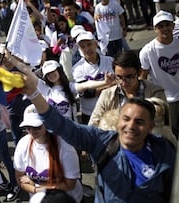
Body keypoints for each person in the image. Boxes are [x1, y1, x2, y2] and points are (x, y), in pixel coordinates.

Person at [17, 60, 175, 203]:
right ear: (118, 121)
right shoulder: (103, 142)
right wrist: (33, 93)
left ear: (151, 127)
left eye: (139, 122)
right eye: (126, 119)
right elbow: (61, 125)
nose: (131, 126)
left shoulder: (165, 151)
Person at [13, 104, 83, 203]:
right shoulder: (23, 144)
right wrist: (36, 190)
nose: (31, 131)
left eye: (36, 127)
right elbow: (20, 177)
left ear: (47, 124)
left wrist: (37, 187)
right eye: (28, 127)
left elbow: (70, 185)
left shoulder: (65, 147)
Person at [89, 50, 167, 127]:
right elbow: (93, 125)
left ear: (139, 73)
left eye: (129, 77)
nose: (124, 82)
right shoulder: (107, 95)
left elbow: (160, 127)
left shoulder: (155, 93)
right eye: (119, 77)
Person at [139, 10, 179, 137]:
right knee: (170, 134)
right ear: (155, 29)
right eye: (160, 26)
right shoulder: (147, 51)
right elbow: (143, 77)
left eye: (167, 25)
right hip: (165, 99)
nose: (165, 29)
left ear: (173, 25)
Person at [71, 31, 114, 124]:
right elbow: (87, 93)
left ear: (95, 44)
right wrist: (108, 85)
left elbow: (117, 82)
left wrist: (97, 89)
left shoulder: (110, 61)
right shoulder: (77, 68)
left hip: (111, 109)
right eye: (82, 46)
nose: (87, 49)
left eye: (89, 44)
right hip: (90, 113)